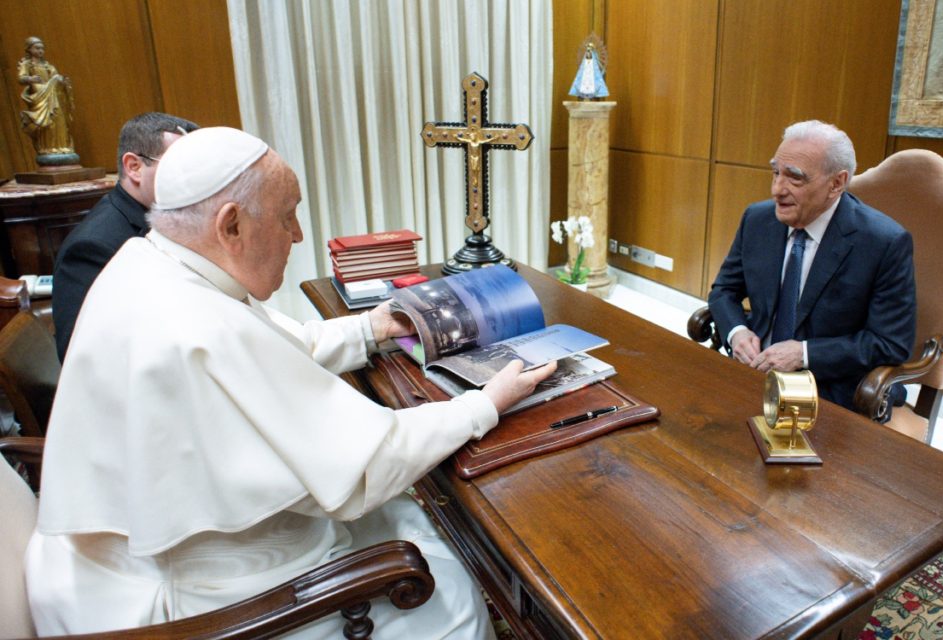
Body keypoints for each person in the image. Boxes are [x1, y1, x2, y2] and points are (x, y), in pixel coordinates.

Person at [26, 127, 556, 638]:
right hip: (202, 596)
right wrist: (483, 403)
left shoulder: (153, 261)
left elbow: (274, 348)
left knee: (409, 517)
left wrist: (372, 327)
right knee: (454, 597)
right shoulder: (189, 322)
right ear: (229, 225)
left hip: (143, 556)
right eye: (288, 216)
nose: (298, 234)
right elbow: (365, 466)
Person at [707, 120, 916, 413]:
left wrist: (804, 354)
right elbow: (723, 291)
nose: (777, 190)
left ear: (837, 183)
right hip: (750, 371)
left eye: (795, 178)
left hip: (827, 388)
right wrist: (737, 332)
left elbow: (889, 343)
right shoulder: (757, 220)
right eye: (776, 172)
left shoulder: (883, 242)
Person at [51, 112, 198, 362]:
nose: (194, 180)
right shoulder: (92, 246)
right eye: (179, 167)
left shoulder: (168, 215)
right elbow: (83, 357)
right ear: (134, 167)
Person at [17, 36, 76, 164]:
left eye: (42, 48)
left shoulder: (48, 66)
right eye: (37, 48)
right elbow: (21, 78)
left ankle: (61, 146)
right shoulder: (27, 64)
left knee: (57, 118)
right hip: (40, 96)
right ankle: (48, 148)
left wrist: (62, 81)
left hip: (53, 96)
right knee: (47, 123)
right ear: (29, 49)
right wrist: (30, 79)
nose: (40, 51)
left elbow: (56, 77)